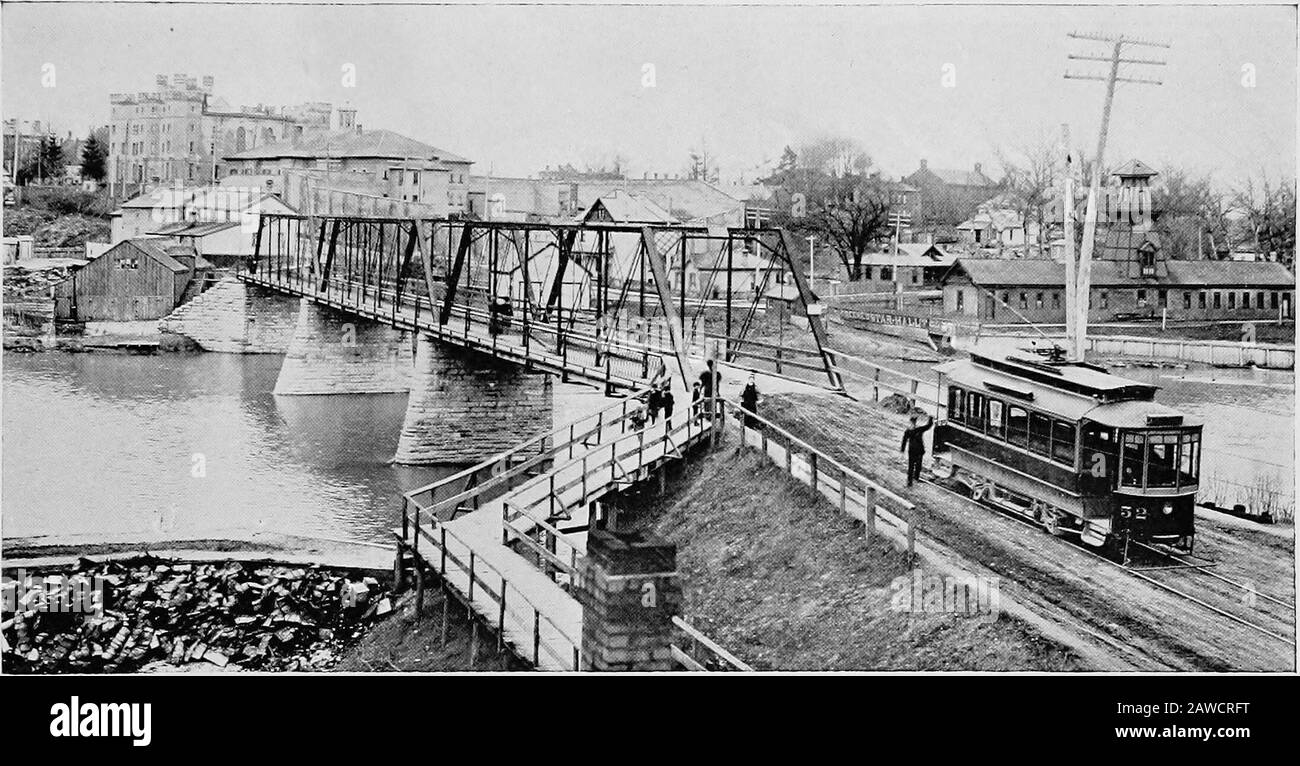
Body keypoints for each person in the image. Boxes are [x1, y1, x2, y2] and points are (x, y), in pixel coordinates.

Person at [900, 414, 934, 487]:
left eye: (913, 422)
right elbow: (904, 441)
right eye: (912, 422)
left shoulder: (918, 429)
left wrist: (930, 418)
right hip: (913, 451)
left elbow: (928, 426)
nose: (912, 424)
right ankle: (910, 482)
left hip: (918, 451)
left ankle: (915, 479)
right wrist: (902, 450)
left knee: (918, 466)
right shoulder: (910, 431)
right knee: (911, 467)